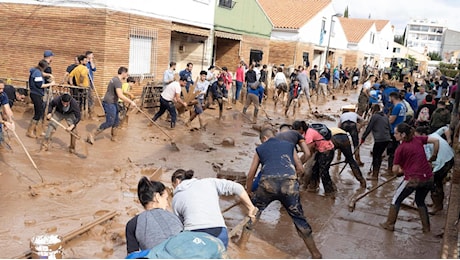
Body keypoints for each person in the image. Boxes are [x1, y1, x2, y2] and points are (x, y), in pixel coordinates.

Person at [244, 128, 322, 259]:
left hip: (268, 185)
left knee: (253, 213)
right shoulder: (289, 146)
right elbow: (300, 169)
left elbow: (251, 175)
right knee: (299, 218)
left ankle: (242, 244)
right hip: (289, 185)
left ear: (264, 139)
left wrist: (248, 191)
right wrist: (293, 179)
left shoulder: (260, 149)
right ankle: (315, 253)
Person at [171, 169, 257, 248]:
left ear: (177, 181)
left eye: (173, 186)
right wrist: (250, 207)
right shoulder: (209, 182)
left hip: (196, 236)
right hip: (220, 233)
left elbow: (179, 226)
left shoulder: (176, 198)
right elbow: (237, 187)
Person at [380, 123, 439, 234]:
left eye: (396, 133)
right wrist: (433, 157)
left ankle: (389, 224)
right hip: (428, 177)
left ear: (403, 135)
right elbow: (436, 141)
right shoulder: (418, 139)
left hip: (413, 179)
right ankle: (426, 228)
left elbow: (394, 170)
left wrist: (402, 171)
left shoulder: (400, 149)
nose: (394, 135)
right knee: (420, 201)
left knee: (396, 199)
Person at [126, 177, 183, 254]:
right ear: (157, 197)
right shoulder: (175, 217)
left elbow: (132, 255)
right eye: (166, 199)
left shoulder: (133, 224)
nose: (167, 204)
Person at [87, 67, 136, 144]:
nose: (127, 75)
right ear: (123, 73)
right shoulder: (117, 82)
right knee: (110, 121)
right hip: (109, 103)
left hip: (113, 102)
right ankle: (92, 134)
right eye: (126, 73)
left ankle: (114, 137)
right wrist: (131, 102)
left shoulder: (114, 79)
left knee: (116, 120)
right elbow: (120, 95)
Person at [415, 126, 454, 215]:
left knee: (434, 183)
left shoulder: (427, 144)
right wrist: (448, 140)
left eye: (418, 137)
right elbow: (445, 128)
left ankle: (437, 206)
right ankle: (436, 203)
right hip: (450, 157)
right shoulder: (434, 134)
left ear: (423, 135)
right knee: (438, 182)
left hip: (443, 162)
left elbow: (428, 161)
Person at [293, 121, 336, 195]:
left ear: (301, 128)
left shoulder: (309, 134)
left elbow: (308, 153)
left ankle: (330, 192)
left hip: (327, 151)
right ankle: (313, 188)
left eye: (296, 131)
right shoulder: (306, 132)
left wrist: (298, 164)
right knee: (314, 169)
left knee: (324, 172)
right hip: (321, 150)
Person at [361, 104, 392, 180]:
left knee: (375, 156)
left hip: (379, 139)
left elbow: (369, 128)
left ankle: (375, 176)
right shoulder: (385, 116)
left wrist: (363, 138)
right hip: (387, 139)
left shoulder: (374, 117)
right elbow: (390, 128)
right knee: (379, 155)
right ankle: (376, 172)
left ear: (372, 110)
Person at [27, 60, 55, 139]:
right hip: (36, 94)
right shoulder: (37, 73)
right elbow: (40, 85)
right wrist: (50, 84)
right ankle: (30, 131)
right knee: (38, 113)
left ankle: (38, 130)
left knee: (40, 111)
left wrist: (49, 75)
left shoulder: (36, 71)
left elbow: (42, 74)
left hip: (36, 94)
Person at [387, 91, 406, 172]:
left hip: (394, 131)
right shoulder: (403, 105)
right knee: (396, 149)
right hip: (400, 129)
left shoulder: (396, 107)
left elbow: (391, 120)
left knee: (391, 151)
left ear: (392, 97)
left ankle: (390, 170)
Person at [0, 80, 15, 146]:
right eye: (0, 89)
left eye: (2, 88)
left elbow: (7, 109)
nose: (1, 90)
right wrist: (4, 122)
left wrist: (11, 122)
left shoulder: (3, 95)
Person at [86, 51, 97, 115]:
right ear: (88, 55)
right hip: (86, 81)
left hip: (91, 80)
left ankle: (91, 110)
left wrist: (91, 61)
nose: (93, 56)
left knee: (91, 95)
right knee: (89, 96)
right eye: (92, 55)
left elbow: (94, 69)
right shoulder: (85, 62)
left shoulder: (90, 63)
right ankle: (90, 111)